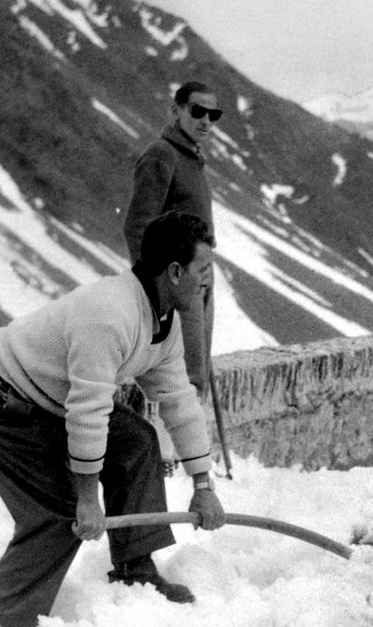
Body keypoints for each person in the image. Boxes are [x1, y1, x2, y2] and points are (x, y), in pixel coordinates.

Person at [0, 212, 226, 627]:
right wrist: (86, 498)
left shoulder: (163, 323)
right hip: (1, 400)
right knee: (56, 514)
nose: (208, 282)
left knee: (137, 441)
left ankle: (135, 569)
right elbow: (89, 412)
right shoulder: (109, 314)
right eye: (203, 271)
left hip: (49, 401)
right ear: (174, 272)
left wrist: (204, 485)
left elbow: (179, 402)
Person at [123, 81, 221, 396]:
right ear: (176, 111)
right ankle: (178, 445)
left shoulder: (191, 156)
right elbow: (138, 225)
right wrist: (156, 291)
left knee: (198, 372)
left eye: (213, 114)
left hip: (200, 278)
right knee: (184, 379)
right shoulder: (161, 154)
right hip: (179, 283)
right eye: (197, 111)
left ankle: (191, 443)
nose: (206, 120)